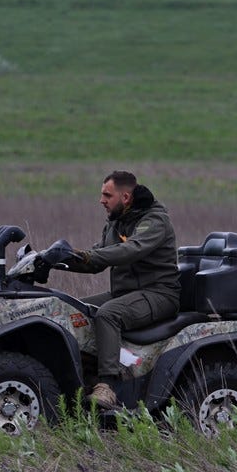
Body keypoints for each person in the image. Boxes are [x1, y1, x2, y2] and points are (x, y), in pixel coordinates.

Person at [39, 171, 180, 408]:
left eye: (107, 195)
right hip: (125, 293)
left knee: (108, 314)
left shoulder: (154, 220)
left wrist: (84, 255)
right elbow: (96, 260)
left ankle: (108, 386)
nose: (101, 200)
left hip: (159, 294)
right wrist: (54, 260)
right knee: (73, 311)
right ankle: (83, 377)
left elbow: (132, 250)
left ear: (125, 197)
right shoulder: (116, 222)